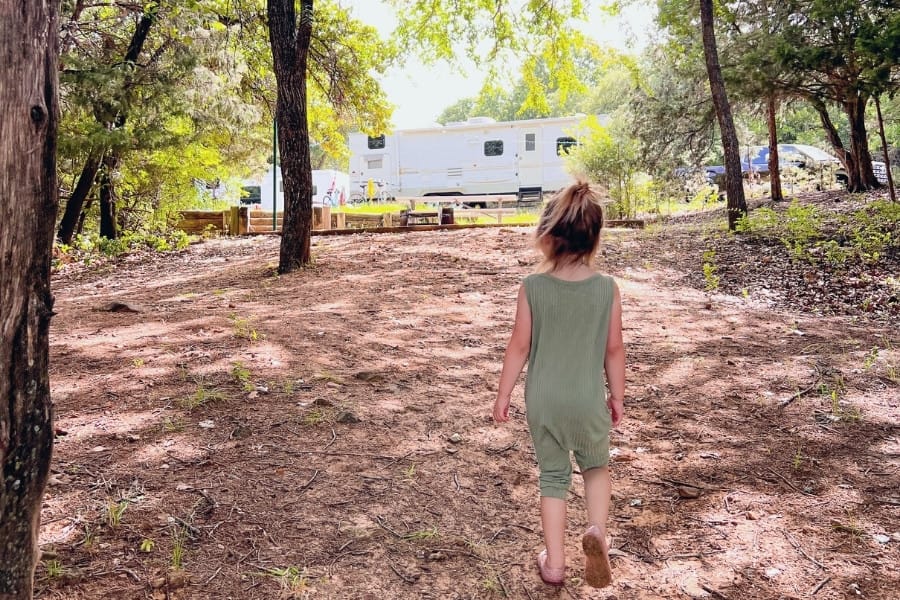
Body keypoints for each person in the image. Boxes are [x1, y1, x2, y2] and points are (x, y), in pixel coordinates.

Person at [492, 179, 625, 588]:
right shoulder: (606, 289)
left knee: (553, 476)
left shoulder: (532, 287)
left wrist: (503, 394)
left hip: (544, 401)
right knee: (596, 466)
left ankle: (554, 564)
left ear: (548, 236)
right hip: (587, 399)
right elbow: (614, 349)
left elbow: (519, 346)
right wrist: (617, 396)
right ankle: (597, 530)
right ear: (595, 237)